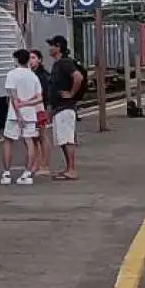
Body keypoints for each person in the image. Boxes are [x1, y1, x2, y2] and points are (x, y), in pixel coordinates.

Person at [0, 49, 42, 186]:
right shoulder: (33, 76)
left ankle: (6, 173)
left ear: (17, 59)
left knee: (8, 141)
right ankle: (27, 174)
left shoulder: (12, 74)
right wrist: (27, 104)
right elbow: (39, 98)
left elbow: (13, 97)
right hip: (30, 114)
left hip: (14, 115)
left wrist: (18, 114)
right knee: (29, 142)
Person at [46, 35, 83, 180]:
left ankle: (72, 169)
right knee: (62, 140)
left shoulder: (65, 62)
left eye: (51, 46)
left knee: (67, 139)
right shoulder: (57, 64)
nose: (49, 49)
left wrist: (71, 93)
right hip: (58, 108)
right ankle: (68, 168)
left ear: (58, 46)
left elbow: (78, 76)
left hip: (65, 108)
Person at [30, 49, 52, 176]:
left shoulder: (42, 76)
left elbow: (44, 94)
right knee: (34, 137)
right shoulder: (30, 74)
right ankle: (37, 163)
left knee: (42, 136)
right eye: (29, 58)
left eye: (33, 57)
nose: (31, 60)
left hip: (40, 109)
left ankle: (45, 164)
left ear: (39, 60)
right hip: (31, 109)